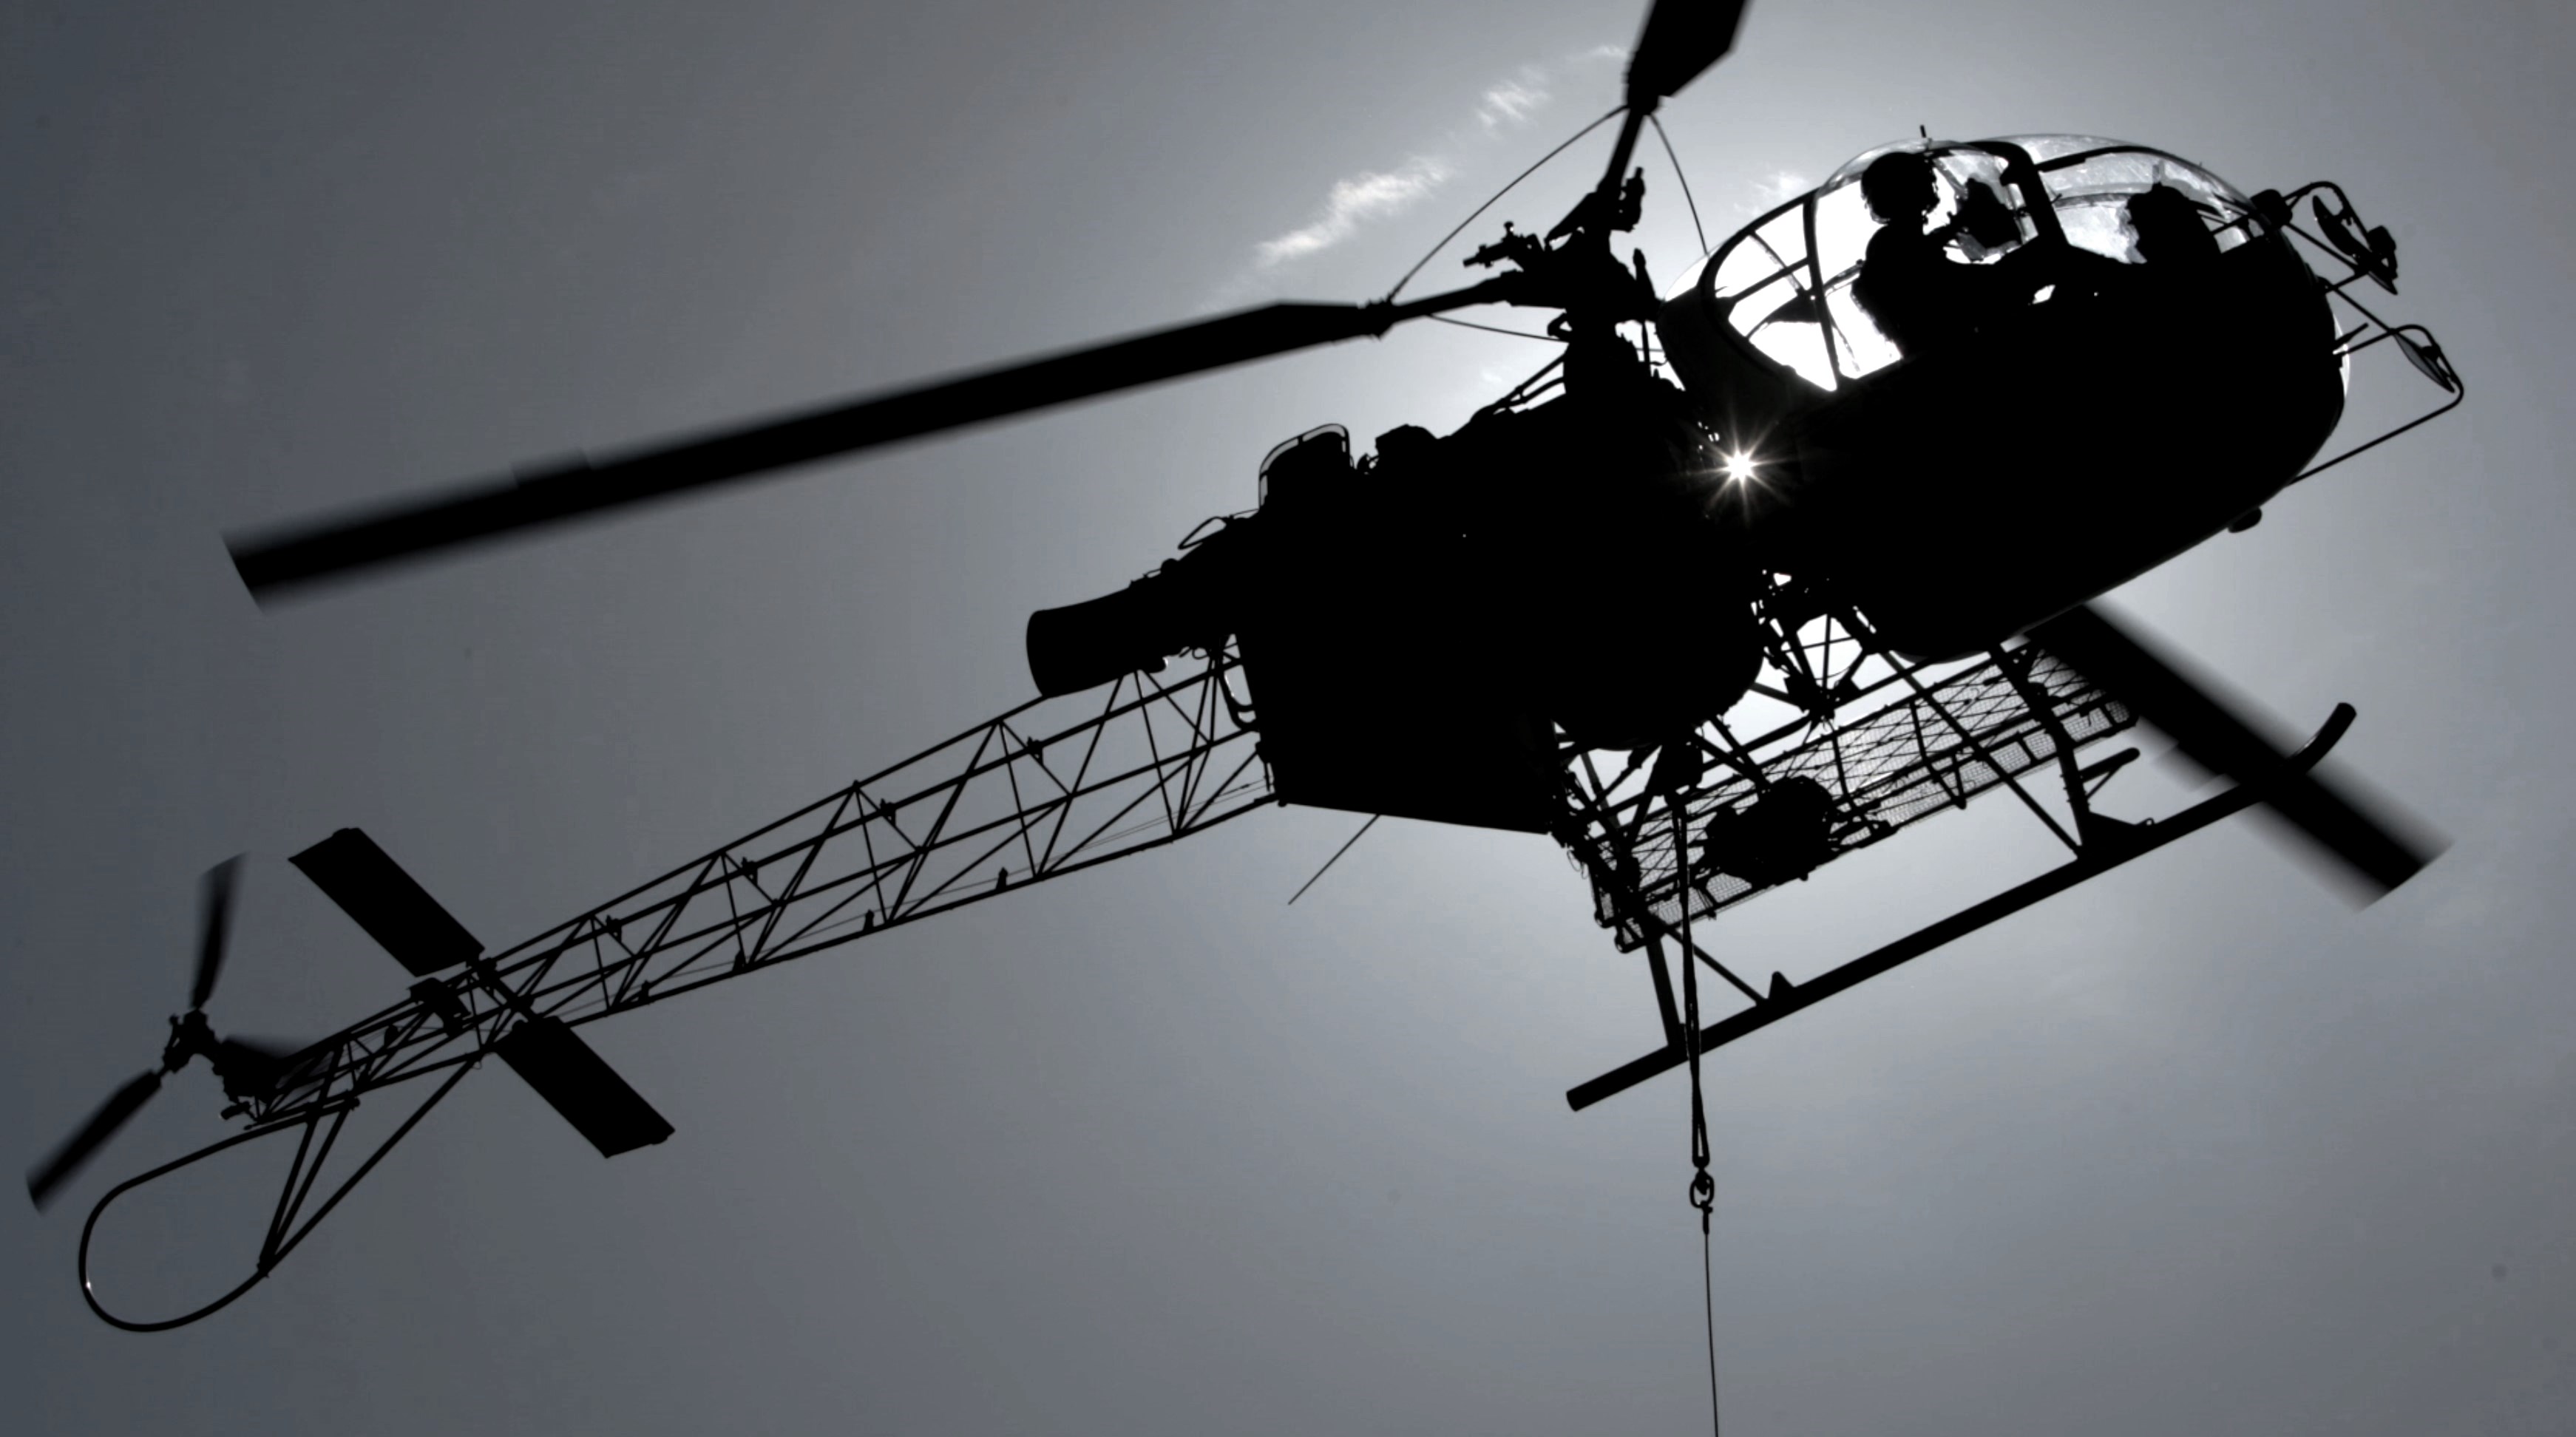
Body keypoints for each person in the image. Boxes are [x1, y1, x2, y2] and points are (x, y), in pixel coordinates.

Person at [1851, 150, 2040, 358]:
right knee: (2043, 257)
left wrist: (1956, 226)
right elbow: (1940, 283)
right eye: (1922, 181)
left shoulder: (1892, 240)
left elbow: (1927, 254)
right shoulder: (1892, 243)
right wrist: (2010, 271)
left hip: (1946, 342)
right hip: (1950, 346)